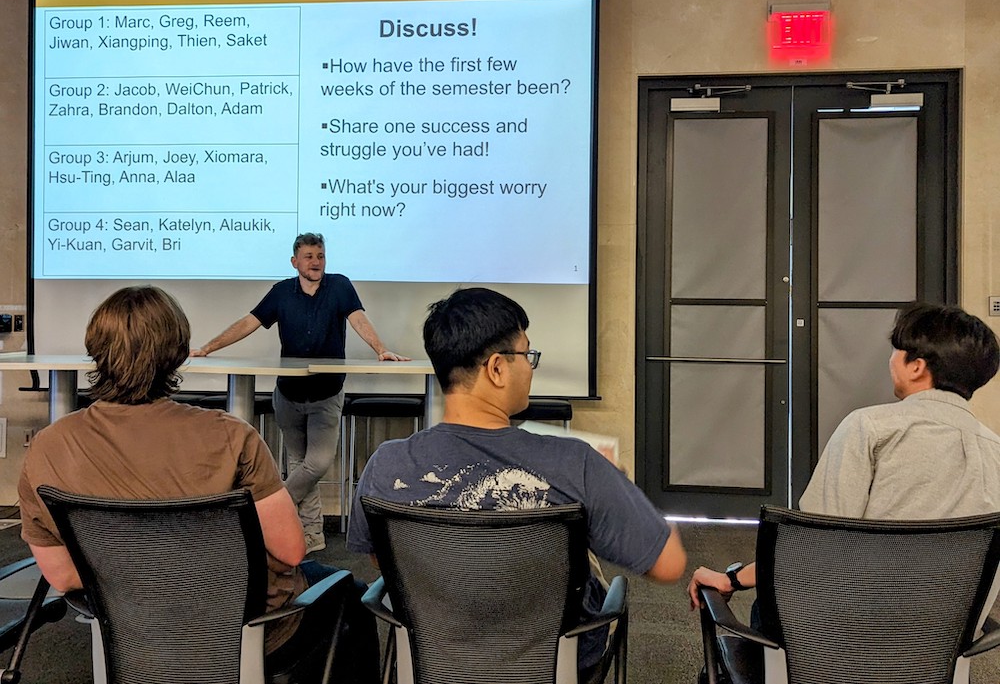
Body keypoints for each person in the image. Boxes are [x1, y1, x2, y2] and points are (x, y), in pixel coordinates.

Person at [18, 286, 379, 680]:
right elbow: (291, 551)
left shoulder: (50, 446)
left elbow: (64, 576)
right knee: (352, 592)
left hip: (130, 631)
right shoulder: (229, 436)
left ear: (96, 350)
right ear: (176, 351)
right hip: (245, 630)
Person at [347, 287, 687, 683]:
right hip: (554, 665)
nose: (530, 366)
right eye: (527, 354)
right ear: (496, 368)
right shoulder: (575, 464)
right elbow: (668, 565)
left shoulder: (386, 464)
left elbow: (380, 559)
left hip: (435, 662)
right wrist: (618, 488)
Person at [687, 301, 1000, 607]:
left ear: (917, 367)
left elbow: (812, 546)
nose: (890, 360)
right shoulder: (994, 449)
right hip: (945, 642)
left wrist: (732, 578)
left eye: (896, 351)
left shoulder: (870, 428)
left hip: (846, 634)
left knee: (767, 607)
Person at [191, 232, 409, 553]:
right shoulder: (281, 292)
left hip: (326, 394)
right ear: (295, 262)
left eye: (320, 256)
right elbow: (248, 323)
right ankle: (311, 537)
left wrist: (381, 349)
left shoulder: (340, 286)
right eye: (308, 257)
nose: (316, 262)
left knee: (316, 464)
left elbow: (358, 319)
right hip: (289, 395)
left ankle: (262, 512)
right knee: (298, 465)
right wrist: (208, 347)